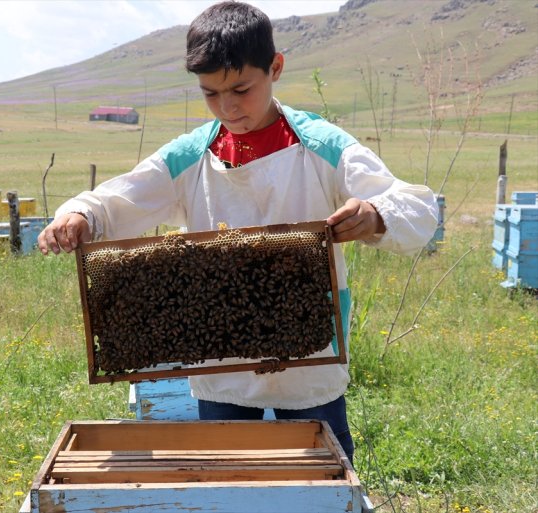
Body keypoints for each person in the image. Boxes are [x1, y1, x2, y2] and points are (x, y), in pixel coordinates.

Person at [37, 1, 438, 464]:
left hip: (308, 353)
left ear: (276, 67)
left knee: (323, 479)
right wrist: (81, 214)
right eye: (210, 94)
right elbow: (122, 197)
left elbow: (414, 205)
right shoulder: (193, 153)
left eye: (241, 89)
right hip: (220, 357)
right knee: (227, 476)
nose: (227, 107)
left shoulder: (321, 145)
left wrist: (374, 213)